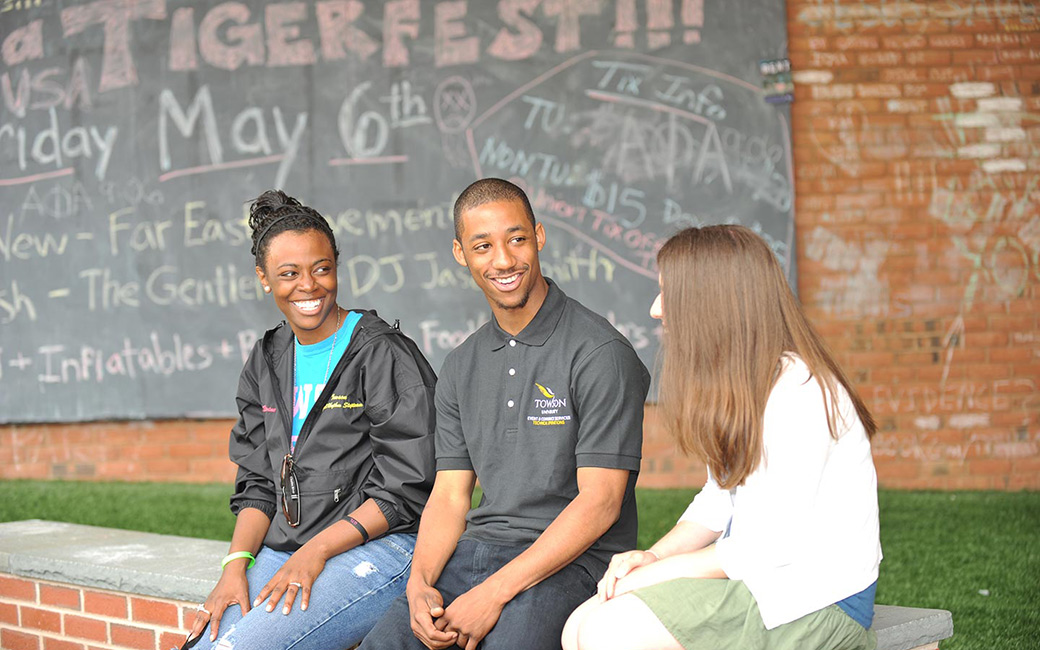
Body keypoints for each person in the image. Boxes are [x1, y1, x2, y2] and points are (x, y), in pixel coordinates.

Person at [360, 178, 650, 650]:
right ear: (461, 253)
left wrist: (494, 593)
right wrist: (419, 584)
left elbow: (600, 502)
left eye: (516, 239)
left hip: (570, 565)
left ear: (539, 236)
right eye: (483, 245)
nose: (503, 260)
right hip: (475, 554)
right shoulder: (461, 364)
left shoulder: (599, 352)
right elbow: (452, 495)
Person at [562, 225, 882, 650]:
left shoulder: (798, 392)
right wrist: (653, 557)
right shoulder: (745, 385)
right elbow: (718, 501)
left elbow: (763, 548)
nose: (657, 309)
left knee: (608, 630)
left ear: (712, 302)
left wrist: (651, 576)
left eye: (668, 293)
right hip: (761, 581)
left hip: (815, 601)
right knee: (580, 623)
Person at [183, 190, 438, 650]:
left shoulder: (380, 353)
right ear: (264, 278)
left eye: (321, 268)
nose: (309, 286)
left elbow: (408, 489)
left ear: (336, 265)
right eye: (289, 273)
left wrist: (316, 551)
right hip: (288, 547)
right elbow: (258, 481)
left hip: (382, 548)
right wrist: (235, 565)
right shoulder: (267, 359)